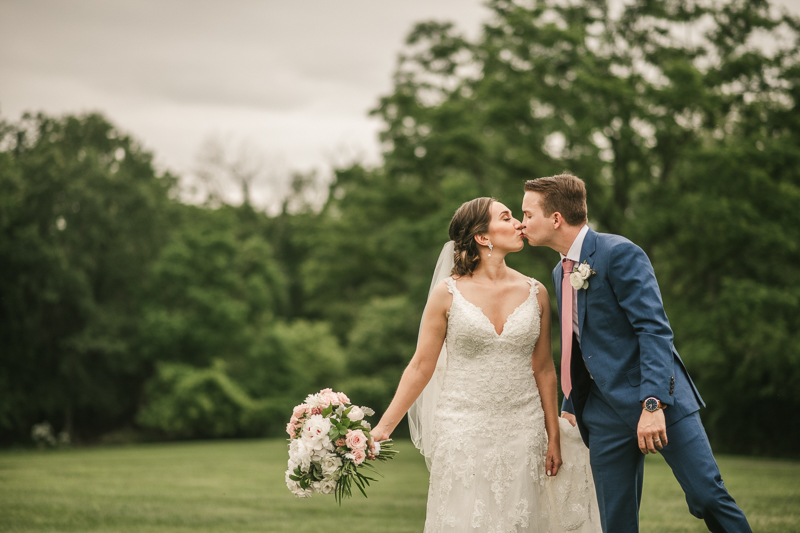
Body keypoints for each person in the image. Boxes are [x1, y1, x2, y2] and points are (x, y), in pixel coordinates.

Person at [521, 173, 752, 533]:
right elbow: (577, 343)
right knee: (617, 522)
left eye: (527, 214)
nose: (522, 224)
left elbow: (654, 329)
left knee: (708, 496)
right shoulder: (558, 272)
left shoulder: (619, 253)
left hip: (658, 399)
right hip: (601, 414)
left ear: (555, 218)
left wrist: (653, 403)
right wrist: (570, 405)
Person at [371, 197, 600, 532]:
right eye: (507, 218)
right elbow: (421, 366)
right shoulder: (447, 294)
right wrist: (383, 429)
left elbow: (544, 368)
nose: (519, 224)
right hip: (463, 429)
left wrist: (553, 435)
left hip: (524, 427)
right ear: (483, 237)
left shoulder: (535, 292)